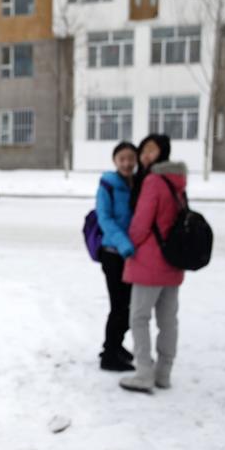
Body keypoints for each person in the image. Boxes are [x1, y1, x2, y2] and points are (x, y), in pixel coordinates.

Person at [120, 136, 187, 393]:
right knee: (168, 320)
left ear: (162, 153)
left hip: (149, 262)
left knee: (139, 318)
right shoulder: (177, 180)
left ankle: (144, 373)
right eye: (143, 150)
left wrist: (130, 246)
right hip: (173, 261)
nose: (145, 156)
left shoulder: (153, 181)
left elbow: (140, 224)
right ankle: (164, 373)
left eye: (151, 150)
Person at [95, 141, 138, 372]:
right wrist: (124, 244)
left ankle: (115, 345)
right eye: (122, 158)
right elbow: (105, 219)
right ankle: (109, 356)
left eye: (131, 158)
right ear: (115, 161)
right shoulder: (107, 185)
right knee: (119, 306)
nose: (127, 163)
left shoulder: (136, 184)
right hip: (113, 254)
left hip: (131, 254)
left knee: (129, 306)